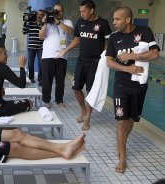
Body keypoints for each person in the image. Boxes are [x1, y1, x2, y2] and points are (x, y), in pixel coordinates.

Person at [106, 6, 159, 173]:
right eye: (114, 19)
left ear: (127, 20)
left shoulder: (144, 31)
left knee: (131, 120)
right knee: (121, 121)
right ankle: (122, 157)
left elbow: (155, 54)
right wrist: (127, 69)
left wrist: (132, 56)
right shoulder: (114, 37)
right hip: (121, 84)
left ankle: (121, 143)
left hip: (139, 85)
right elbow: (109, 61)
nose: (114, 22)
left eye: (117, 19)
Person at [57, 0, 112, 131]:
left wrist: (105, 56)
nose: (81, 13)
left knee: (90, 91)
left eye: (83, 11)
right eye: (80, 11)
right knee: (76, 88)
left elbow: (108, 41)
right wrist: (65, 50)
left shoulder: (102, 23)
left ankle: (87, 117)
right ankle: (83, 110)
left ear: (91, 10)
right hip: (81, 61)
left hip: (95, 63)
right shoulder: (80, 23)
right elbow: (77, 38)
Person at [39, 3, 73, 109]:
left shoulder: (67, 22)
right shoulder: (47, 22)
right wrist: (45, 23)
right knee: (46, 80)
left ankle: (59, 100)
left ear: (62, 12)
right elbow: (41, 36)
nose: (56, 13)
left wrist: (57, 22)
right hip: (47, 56)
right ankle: (46, 101)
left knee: (60, 81)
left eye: (58, 11)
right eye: (55, 11)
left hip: (62, 56)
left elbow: (70, 31)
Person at [22, 9, 44, 85]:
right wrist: (25, 23)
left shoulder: (44, 24)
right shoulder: (30, 23)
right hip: (31, 47)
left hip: (41, 47)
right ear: (36, 15)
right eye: (38, 14)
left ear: (43, 16)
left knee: (41, 64)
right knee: (30, 63)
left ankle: (40, 80)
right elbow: (24, 32)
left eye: (41, 14)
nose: (39, 16)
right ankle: (31, 78)